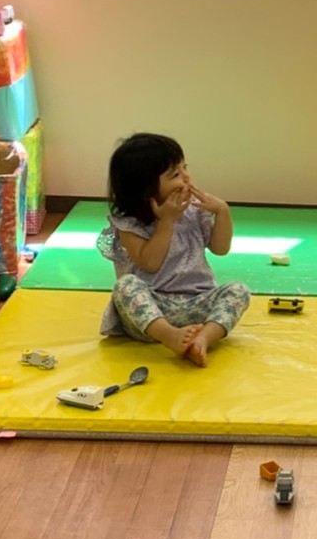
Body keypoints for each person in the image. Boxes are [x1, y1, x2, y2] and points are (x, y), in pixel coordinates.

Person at [97, 132, 251, 367]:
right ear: (147, 190)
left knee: (239, 290)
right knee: (125, 286)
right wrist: (166, 221)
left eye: (184, 168)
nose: (187, 178)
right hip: (150, 314)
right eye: (175, 175)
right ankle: (170, 336)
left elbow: (220, 248)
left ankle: (202, 339)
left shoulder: (194, 212)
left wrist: (222, 212)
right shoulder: (129, 225)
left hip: (196, 304)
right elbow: (150, 263)